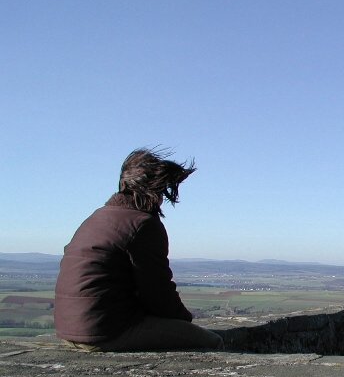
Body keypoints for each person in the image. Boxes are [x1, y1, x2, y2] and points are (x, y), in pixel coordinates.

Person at [54, 148, 223, 351]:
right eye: (161, 191)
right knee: (212, 342)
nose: (162, 199)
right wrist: (183, 322)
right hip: (104, 331)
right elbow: (157, 291)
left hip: (68, 329)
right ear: (153, 191)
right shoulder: (142, 224)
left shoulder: (97, 217)